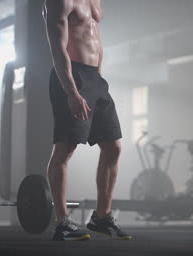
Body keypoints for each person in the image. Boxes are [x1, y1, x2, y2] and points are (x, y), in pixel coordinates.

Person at [43, 0, 131, 241]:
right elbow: (57, 47)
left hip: (95, 79)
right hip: (72, 76)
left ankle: (102, 216)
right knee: (65, 149)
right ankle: (62, 223)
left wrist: (99, 80)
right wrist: (71, 92)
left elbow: (96, 40)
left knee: (114, 147)